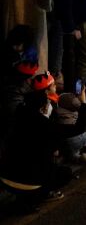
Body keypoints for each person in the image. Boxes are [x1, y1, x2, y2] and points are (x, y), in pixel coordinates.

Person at [0, 72, 71, 204]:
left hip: (6, 174)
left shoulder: (19, 117)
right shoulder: (43, 123)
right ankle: (40, 194)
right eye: (53, 85)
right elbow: (54, 144)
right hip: (29, 178)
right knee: (61, 172)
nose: (56, 86)